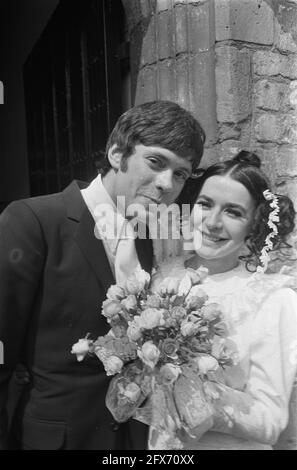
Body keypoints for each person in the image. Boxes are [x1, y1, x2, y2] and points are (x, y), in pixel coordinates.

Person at [0, 100, 205, 450]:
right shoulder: (33, 221)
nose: (166, 184)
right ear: (115, 153)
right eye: (156, 162)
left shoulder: (146, 239)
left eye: (181, 173)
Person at [150, 150, 297, 450]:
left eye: (233, 212)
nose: (213, 222)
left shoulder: (271, 299)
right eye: (205, 205)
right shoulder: (161, 276)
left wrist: (205, 402)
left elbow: (271, 419)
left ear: (254, 224)